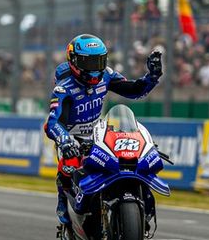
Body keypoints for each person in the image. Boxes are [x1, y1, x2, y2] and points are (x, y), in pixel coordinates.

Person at [43, 34, 162, 226]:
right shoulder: (63, 89)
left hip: (98, 132)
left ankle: (140, 207)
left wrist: (152, 78)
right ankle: (64, 202)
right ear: (74, 61)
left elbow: (133, 91)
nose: (95, 68)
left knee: (128, 160)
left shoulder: (106, 75)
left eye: (99, 61)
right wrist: (65, 140)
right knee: (69, 164)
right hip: (71, 136)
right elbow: (52, 123)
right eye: (89, 62)